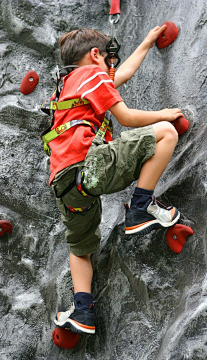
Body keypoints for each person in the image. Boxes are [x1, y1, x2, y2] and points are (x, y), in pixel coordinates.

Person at [44, 26, 183, 334]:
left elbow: (124, 73)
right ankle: (140, 206)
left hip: (65, 185)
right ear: (95, 56)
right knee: (166, 134)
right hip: (89, 165)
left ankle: (83, 312)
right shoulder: (92, 76)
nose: (112, 67)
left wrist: (146, 42)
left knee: (80, 247)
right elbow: (127, 118)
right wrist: (164, 115)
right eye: (109, 59)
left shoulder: (67, 86)